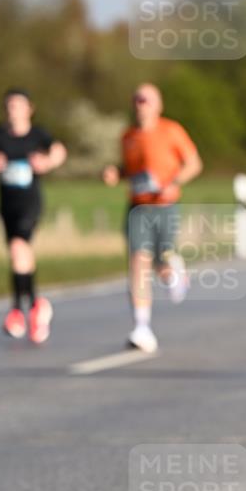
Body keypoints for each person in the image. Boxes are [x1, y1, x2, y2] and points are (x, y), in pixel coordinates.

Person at [102, 83, 203, 352]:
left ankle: (174, 272)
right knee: (138, 261)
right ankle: (142, 327)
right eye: (136, 99)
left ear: (158, 105)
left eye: (146, 99)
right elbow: (130, 170)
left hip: (165, 206)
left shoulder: (172, 130)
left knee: (162, 264)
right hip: (138, 207)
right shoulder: (128, 136)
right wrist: (116, 173)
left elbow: (194, 163)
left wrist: (174, 182)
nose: (140, 104)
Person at [0, 89, 67, 343]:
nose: (13, 110)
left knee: (18, 248)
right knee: (21, 255)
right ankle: (36, 305)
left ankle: (16, 310)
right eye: (9, 106)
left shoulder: (38, 135)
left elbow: (59, 151)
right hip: (7, 204)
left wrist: (46, 162)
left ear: (29, 109)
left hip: (31, 203)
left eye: (18, 106)